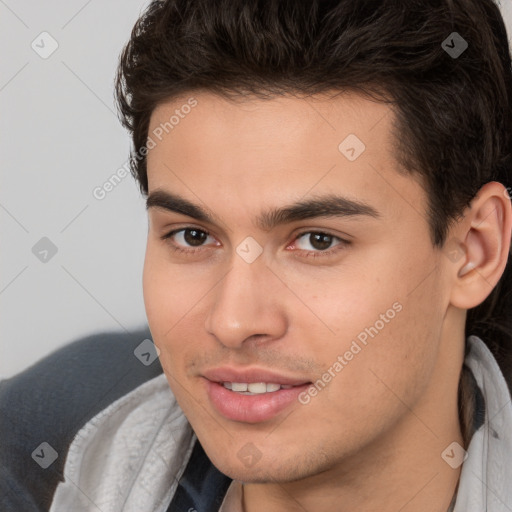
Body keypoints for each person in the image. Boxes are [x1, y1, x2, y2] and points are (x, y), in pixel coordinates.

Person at [2, 0, 512, 510]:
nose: (232, 321)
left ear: (474, 251)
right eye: (193, 236)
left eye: (317, 241)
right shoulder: (34, 446)